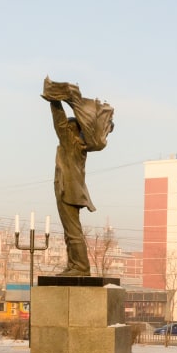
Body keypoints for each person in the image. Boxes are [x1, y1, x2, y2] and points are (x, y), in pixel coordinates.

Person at [41, 77, 114, 276]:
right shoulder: (76, 146)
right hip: (69, 190)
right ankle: (74, 265)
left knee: (73, 232)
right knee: (70, 232)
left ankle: (80, 267)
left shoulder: (71, 143)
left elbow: (59, 122)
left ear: (72, 130)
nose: (64, 128)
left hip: (69, 192)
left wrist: (54, 101)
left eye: (68, 126)